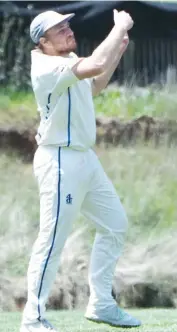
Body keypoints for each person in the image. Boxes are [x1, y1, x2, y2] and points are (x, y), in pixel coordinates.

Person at [20, 8, 141, 332]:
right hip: (59, 160)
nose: (67, 30)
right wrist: (118, 28)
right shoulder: (47, 66)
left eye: (67, 25)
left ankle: (101, 303)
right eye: (58, 30)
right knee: (52, 240)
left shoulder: (66, 59)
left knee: (115, 225)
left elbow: (96, 83)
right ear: (42, 42)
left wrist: (118, 47)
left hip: (84, 159)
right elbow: (96, 64)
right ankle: (33, 319)